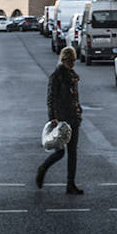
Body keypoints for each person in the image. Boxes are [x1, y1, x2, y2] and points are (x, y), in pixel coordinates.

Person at [36, 46, 83, 194]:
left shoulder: (72, 75)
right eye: (70, 60)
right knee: (60, 152)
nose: (72, 63)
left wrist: (78, 111)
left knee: (73, 153)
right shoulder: (56, 76)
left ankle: (71, 184)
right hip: (62, 120)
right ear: (63, 60)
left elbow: (75, 98)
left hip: (74, 118)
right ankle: (43, 168)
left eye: (74, 60)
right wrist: (53, 118)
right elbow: (51, 98)